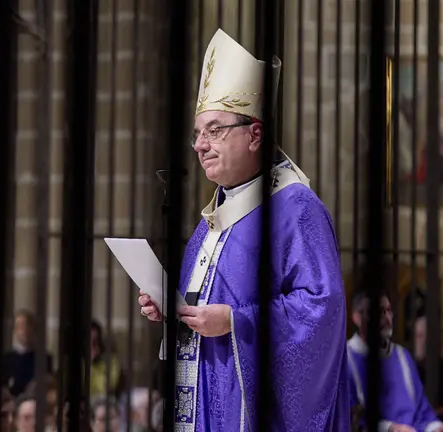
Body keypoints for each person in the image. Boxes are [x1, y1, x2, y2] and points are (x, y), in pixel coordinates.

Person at [137, 28, 351, 430]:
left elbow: (323, 307)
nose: (200, 144)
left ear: (255, 134)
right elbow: (204, 309)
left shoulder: (294, 208)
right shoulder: (212, 219)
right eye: (198, 133)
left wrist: (237, 322)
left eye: (215, 129)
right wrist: (172, 309)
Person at [347, 289, 443, 432]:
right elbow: (350, 418)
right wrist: (391, 429)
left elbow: (421, 413)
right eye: (379, 312)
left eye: (389, 311)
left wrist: (437, 428)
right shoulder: (346, 360)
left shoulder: (402, 356)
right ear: (357, 317)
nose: (387, 318)